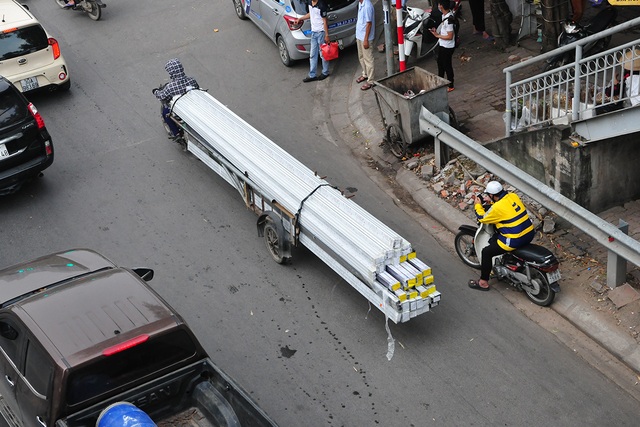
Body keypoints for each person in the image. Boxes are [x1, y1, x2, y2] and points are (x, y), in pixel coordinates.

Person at [468, 181, 535, 291]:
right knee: (497, 238)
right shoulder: (513, 196)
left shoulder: (497, 208)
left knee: (486, 252)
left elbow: (482, 217)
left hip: (515, 240)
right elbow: (506, 208)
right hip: (529, 233)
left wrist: (478, 206)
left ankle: (483, 282)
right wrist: (492, 202)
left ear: (492, 195)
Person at [152, 58, 199, 140]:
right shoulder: (192, 80)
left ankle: (176, 133)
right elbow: (197, 89)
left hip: (179, 110)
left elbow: (161, 96)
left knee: (165, 113)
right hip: (193, 106)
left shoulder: (171, 86)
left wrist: (155, 91)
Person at [295, 0, 330, 83]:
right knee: (312, 54)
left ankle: (325, 72)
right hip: (313, 33)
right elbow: (311, 14)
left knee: (323, 54)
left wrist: (327, 35)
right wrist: (300, 18)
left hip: (321, 32)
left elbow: (325, 21)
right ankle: (312, 75)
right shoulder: (310, 3)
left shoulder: (321, 5)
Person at [429, 1, 455, 92]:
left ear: (442, 6)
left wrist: (437, 36)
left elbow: (450, 36)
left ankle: (451, 84)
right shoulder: (444, 16)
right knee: (440, 63)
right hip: (442, 44)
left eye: (440, 5)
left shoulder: (449, 20)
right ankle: (440, 82)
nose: (439, 6)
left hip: (448, 46)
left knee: (447, 65)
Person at [356, 0, 375, 91]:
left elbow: (369, 23)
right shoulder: (360, 4)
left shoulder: (367, 6)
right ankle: (365, 74)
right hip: (359, 35)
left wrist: (366, 39)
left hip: (365, 37)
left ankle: (371, 81)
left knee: (368, 59)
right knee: (361, 57)